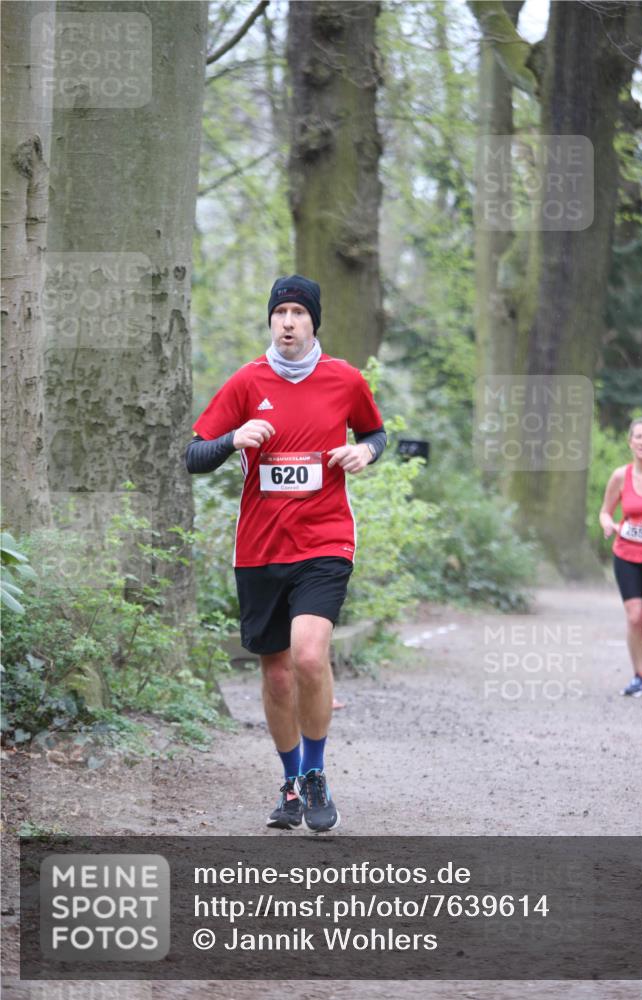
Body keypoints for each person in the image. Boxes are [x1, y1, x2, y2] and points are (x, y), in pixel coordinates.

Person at [185, 275, 386, 831]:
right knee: (275, 675)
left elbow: (376, 431)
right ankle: (290, 782)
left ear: (313, 321)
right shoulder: (247, 382)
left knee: (307, 657)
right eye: (281, 313)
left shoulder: (344, 379)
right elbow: (194, 455)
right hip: (259, 548)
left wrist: (364, 453)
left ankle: (316, 773)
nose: (289, 321)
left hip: (324, 540)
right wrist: (234, 439)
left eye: (299, 312)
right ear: (271, 321)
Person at [599, 416, 642, 696]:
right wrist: (606, 522)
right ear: (630, 442)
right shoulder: (620, 476)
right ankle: (639, 676)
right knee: (635, 617)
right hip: (626, 554)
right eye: (637, 437)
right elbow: (605, 511)